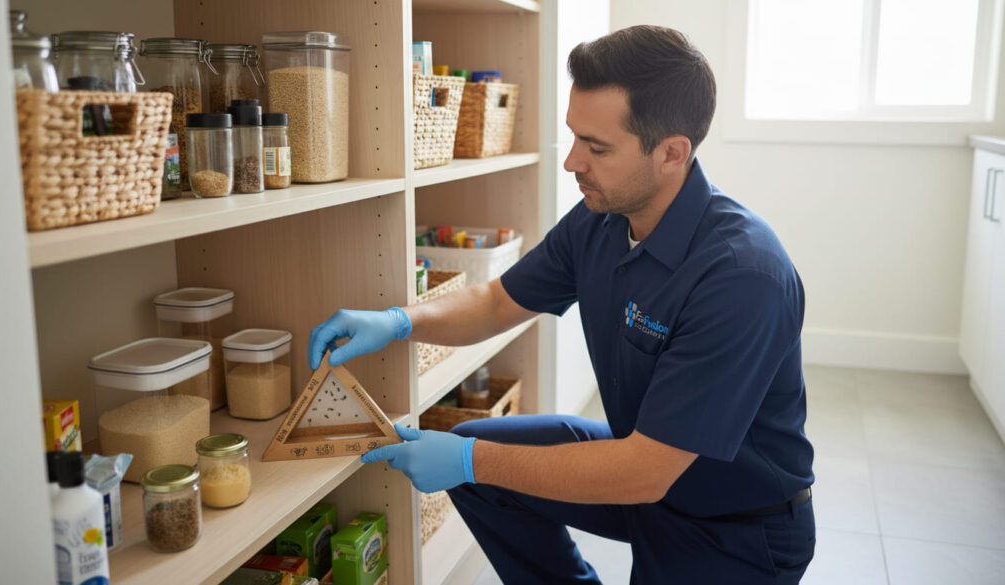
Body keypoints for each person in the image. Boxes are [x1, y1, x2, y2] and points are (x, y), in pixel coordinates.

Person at [308, 25, 815, 584]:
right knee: (478, 453)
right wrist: (401, 322)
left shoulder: (742, 276)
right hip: (645, 470)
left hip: (732, 527)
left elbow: (643, 474)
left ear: (672, 153)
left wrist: (465, 464)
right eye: (575, 137)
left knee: (474, 460)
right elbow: (498, 301)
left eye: (596, 148)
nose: (573, 162)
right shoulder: (602, 217)